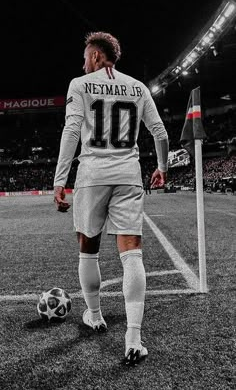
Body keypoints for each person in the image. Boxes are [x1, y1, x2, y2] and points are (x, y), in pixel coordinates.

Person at [53, 32, 169, 366]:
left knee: (88, 248)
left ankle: (95, 314)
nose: (83, 62)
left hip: (92, 176)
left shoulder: (80, 84)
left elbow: (72, 131)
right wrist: (161, 167)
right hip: (128, 174)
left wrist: (60, 179)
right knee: (132, 253)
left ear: (98, 56)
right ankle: (133, 337)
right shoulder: (138, 87)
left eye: (87, 55)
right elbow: (159, 132)